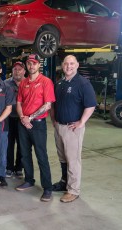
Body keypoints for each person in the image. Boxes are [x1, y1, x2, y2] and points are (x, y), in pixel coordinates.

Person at [51, 55, 96, 203]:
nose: (68, 66)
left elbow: (90, 105)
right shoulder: (60, 83)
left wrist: (81, 122)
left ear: (77, 65)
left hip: (72, 128)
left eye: (71, 63)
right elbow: (54, 105)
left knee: (73, 160)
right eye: (66, 64)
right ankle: (64, 183)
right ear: (62, 66)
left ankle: (73, 190)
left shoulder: (83, 84)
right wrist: (54, 121)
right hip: (59, 126)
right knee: (63, 158)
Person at [16, 54, 55, 202]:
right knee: (25, 154)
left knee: (41, 156)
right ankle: (29, 180)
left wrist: (29, 118)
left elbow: (47, 105)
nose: (31, 66)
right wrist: (22, 118)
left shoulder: (46, 82)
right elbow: (19, 103)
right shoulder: (23, 83)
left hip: (37, 124)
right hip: (23, 123)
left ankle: (47, 188)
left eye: (34, 63)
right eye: (29, 63)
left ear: (39, 65)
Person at [5, 61, 26, 178]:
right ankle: (9, 168)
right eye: (15, 69)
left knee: (22, 144)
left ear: (24, 71)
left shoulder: (28, 83)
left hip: (23, 118)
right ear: (12, 71)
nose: (17, 71)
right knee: (8, 144)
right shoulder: (5, 83)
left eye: (20, 69)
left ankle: (19, 168)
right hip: (8, 118)